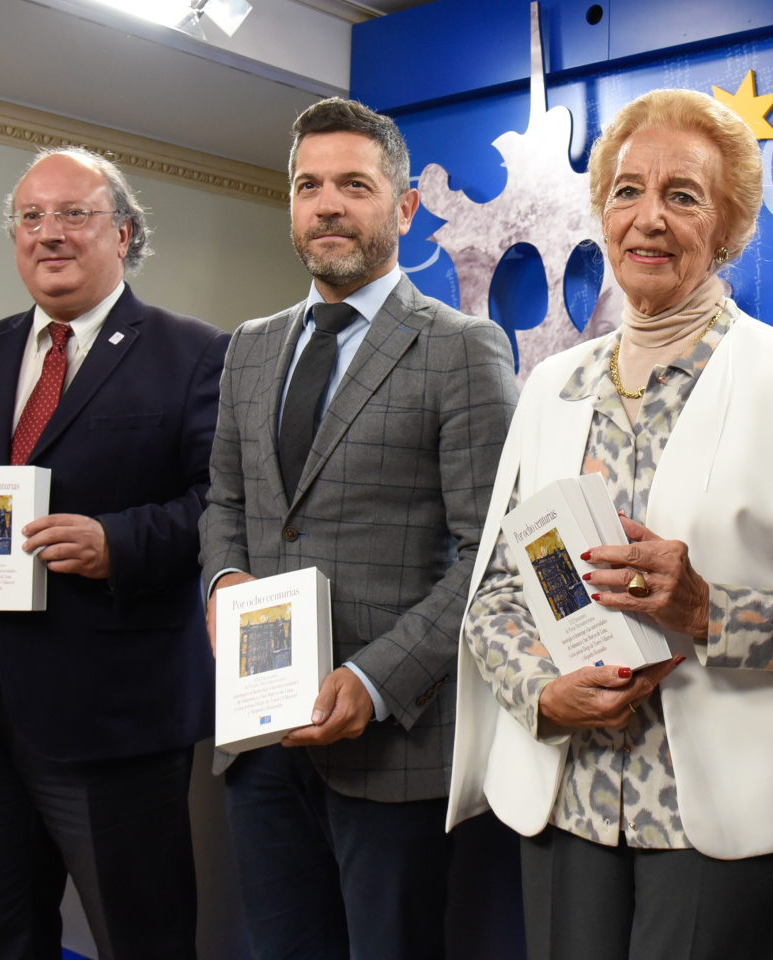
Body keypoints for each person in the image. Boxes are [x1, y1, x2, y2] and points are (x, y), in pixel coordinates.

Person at [447, 88, 773, 960]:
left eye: (682, 196)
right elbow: (498, 590)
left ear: (729, 228)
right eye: (626, 192)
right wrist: (540, 687)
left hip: (719, 816)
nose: (647, 219)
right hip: (564, 801)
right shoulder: (549, 388)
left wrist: (707, 612)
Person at [0, 147, 227, 960]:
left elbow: (223, 503)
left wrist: (119, 543)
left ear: (125, 234)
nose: (50, 234)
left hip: (114, 722)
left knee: (142, 942)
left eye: (75, 213)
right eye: (31, 217)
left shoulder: (196, 353)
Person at [199, 97, 516, 960]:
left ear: (404, 209)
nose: (327, 204)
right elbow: (225, 502)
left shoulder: (464, 348)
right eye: (308, 186)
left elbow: (488, 553)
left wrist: (374, 681)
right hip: (262, 741)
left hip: (392, 749)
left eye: (354, 184)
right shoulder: (250, 348)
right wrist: (224, 585)